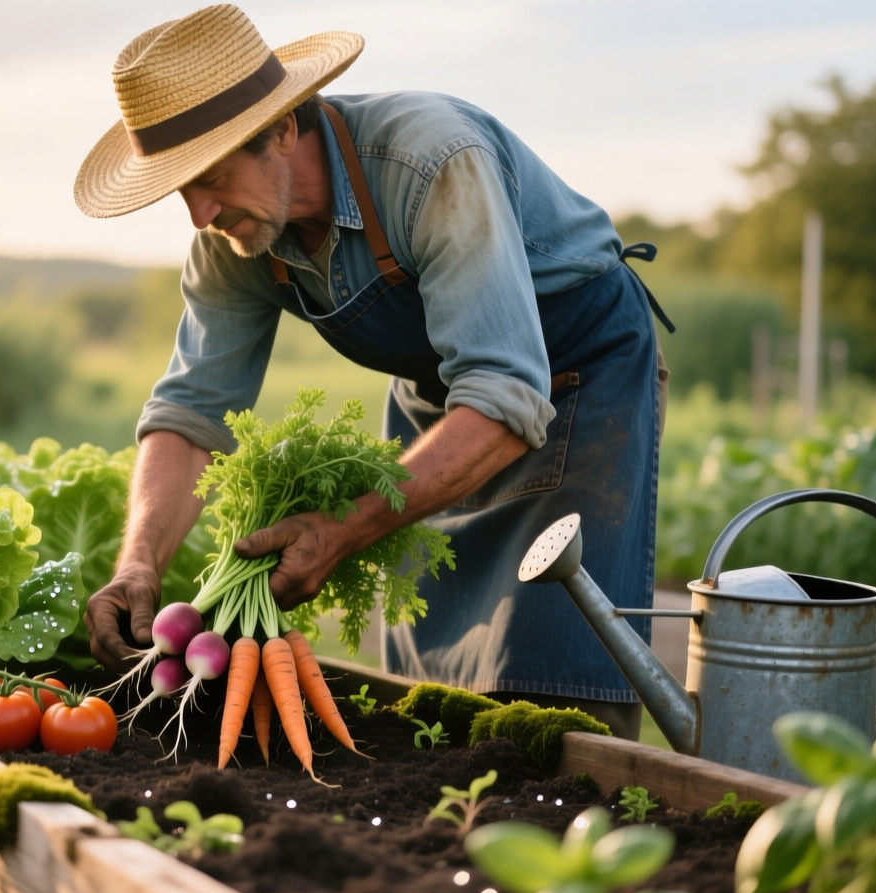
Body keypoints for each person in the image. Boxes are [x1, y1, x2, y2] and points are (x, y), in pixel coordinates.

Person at [74, 4, 670, 740]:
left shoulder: (432, 162)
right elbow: (192, 412)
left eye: (211, 175)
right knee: (430, 687)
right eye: (179, 188)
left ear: (285, 126)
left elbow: (506, 390)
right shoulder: (235, 238)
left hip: (570, 378)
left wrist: (344, 527)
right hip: (441, 409)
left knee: (552, 676)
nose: (199, 212)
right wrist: (138, 563)